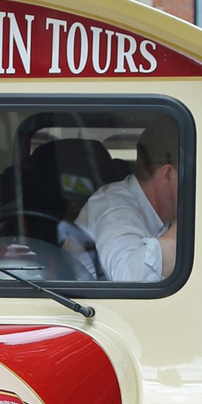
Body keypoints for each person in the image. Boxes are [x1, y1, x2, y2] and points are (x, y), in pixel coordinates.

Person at [70, 118, 178, 281]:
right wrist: (192, 228)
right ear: (167, 174)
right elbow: (129, 280)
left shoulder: (168, 215)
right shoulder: (114, 209)